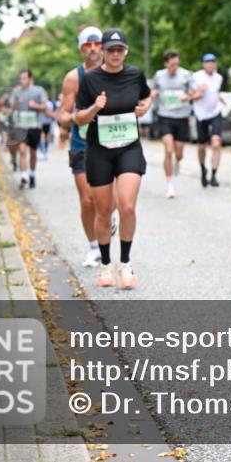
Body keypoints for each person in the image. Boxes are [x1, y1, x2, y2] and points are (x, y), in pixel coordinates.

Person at [75, 28, 152, 289]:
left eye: (120, 50)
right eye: (111, 50)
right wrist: (95, 107)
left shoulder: (135, 75)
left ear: (126, 51)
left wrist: (145, 107)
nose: (115, 54)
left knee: (127, 205)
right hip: (100, 150)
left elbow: (146, 95)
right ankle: (105, 265)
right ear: (104, 52)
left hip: (129, 146)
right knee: (104, 211)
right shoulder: (90, 79)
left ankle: (126, 263)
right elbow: (78, 117)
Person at [58, 26, 118, 268]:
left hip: (112, 144)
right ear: (81, 49)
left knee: (109, 200)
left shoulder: (116, 72)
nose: (92, 49)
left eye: (96, 43)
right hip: (82, 144)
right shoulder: (74, 78)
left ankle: (107, 216)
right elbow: (63, 113)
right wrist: (74, 119)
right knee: (88, 201)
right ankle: (94, 247)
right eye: (87, 45)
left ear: (102, 46)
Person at [151, 50, 196, 198]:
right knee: (168, 150)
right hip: (165, 116)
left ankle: (178, 161)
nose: (174, 68)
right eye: (171, 65)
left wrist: (188, 96)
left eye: (176, 64)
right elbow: (152, 91)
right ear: (165, 64)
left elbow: (196, 93)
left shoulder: (186, 75)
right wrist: (153, 95)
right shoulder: (159, 75)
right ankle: (170, 185)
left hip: (182, 117)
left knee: (179, 153)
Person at [7, 70, 49, 190]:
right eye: (21, 78)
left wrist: (35, 105)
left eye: (24, 78)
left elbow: (45, 105)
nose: (22, 81)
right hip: (21, 125)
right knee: (22, 150)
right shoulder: (16, 92)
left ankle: (32, 174)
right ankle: (24, 175)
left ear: (30, 78)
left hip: (35, 125)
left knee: (33, 153)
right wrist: (16, 102)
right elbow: (11, 107)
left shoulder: (39, 90)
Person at [191, 53, 227, 187]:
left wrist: (220, 98)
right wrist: (198, 92)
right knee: (202, 146)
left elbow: (215, 92)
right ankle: (202, 169)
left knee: (216, 143)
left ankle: (214, 175)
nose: (210, 64)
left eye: (213, 61)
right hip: (201, 115)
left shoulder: (219, 78)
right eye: (208, 62)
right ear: (203, 64)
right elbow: (190, 96)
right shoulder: (196, 77)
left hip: (215, 112)